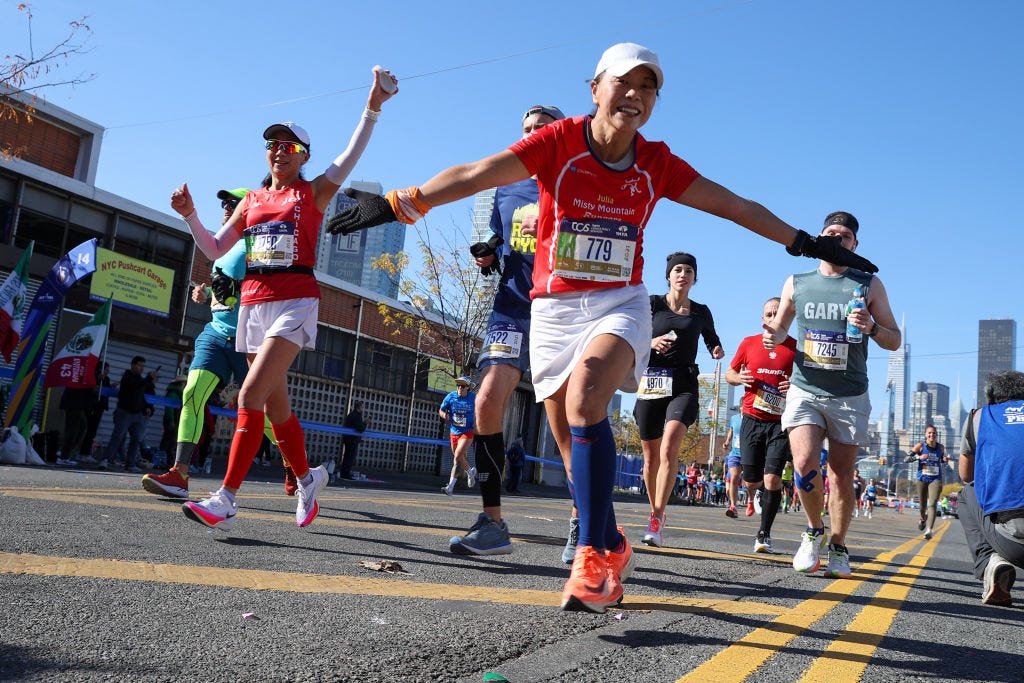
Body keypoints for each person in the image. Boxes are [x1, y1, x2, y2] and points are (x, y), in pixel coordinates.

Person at [327, 43, 874, 613]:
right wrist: (398, 203)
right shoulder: (557, 142)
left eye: (649, 87)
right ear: (595, 89)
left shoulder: (656, 161)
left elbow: (734, 205)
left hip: (619, 302)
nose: (635, 95)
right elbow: (475, 173)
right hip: (553, 309)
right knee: (567, 433)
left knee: (589, 397)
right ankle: (611, 540)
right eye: (624, 83)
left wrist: (803, 242)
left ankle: (592, 556)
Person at [169, 67, 397, 531]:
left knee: (249, 394)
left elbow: (350, 155)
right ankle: (308, 476)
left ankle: (226, 497)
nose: (279, 151)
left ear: (303, 156)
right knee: (277, 407)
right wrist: (191, 216)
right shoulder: (251, 199)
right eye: (273, 144)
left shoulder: (312, 192)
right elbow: (215, 248)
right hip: (253, 303)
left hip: (295, 300)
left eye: (289, 146)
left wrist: (372, 106)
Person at [449, 104, 572, 558]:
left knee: (563, 418)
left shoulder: (574, 180)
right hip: (512, 306)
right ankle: (493, 522)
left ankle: (583, 521)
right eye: (526, 128)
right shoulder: (506, 184)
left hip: (558, 309)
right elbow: (502, 235)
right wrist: (489, 252)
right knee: (485, 402)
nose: (532, 134)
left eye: (541, 128)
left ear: (558, 133)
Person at [763, 211, 897, 578]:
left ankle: (838, 544)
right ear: (820, 238)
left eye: (846, 236)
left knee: (840, 475)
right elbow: (781, 327)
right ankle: (813, 531)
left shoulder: (868, 284)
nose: (838, 239)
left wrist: (871, 327)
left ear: (855, 245)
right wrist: (772, 335)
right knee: (804, 463)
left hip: (849, 394)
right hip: (806, 388)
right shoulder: (797, 281)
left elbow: (895, 338)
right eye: (831, 233)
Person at [143, 188, 282, 500]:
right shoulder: (223, 245)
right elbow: (225, 294)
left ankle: (296, 465)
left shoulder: (260, 247)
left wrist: (238, 290)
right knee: (192, 393)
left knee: (268, 412)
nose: (225, 208)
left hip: (250, 341)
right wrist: (208, 296)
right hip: (216, 334)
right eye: (223, 204)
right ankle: (179, 474)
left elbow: (272, 291)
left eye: (232, 204)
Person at [634, 252, 723, 547]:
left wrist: (717, 350)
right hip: (652, 381)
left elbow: (712, 338)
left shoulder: (701, 311)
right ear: (668, 276)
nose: (682, 274)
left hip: (684, 383)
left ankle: (656, 519)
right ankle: (655, 510)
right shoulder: (653, 304)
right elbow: (631, 334)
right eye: (677, 270)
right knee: (650, 456)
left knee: (670, 445)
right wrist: (650, 342)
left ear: (695, 278)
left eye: (688, 271)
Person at [725, 296, 796, 554]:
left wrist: (794, 386)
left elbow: (806, 384)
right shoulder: (749, 343)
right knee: (752, 481)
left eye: (778, 314)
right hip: (751, 420)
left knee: (773, 479)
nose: (772, 318)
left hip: (779, 423)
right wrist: (738, 377)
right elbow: (729, 373)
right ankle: (756, 493)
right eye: (768, 314)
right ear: (762, 319)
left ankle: (764, 533)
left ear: (786, 319)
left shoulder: (795, 348)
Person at [958, 370, 1024, 606]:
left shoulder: (980, 417)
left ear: (992, 398)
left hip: (1014, 543)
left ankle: (989, 563)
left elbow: (966, 475)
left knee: (966, 494)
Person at [100, 356, 157, 473]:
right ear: (132, 365)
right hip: (124, 412)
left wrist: (147, 407)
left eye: (143, 366)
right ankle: (105, 460)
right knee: (118, 436)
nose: (141, 368)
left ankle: (130, 464)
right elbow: (135, 387)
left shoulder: (141, 379)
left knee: (136, 438)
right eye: (139, 365)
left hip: (137, 414)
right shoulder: (127, 376)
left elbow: (142, 395)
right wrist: (147, 378)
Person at [908, 424, 948, 540]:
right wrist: (918, 458)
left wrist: (943, 460)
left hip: (936, 478)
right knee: (922, 506)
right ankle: (922, 518)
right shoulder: (920, 446)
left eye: (934, 433)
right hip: (922, 478)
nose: (932, 435)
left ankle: (929, 530)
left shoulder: (941, 447)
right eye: (929, 433)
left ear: (936, 435)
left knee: (933, 504)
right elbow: (906, 459)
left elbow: (939, 458)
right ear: (926, 435)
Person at [439, 376, 478, 496]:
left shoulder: (473, 398)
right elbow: (441, 410)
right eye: (458, 385)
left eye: (462, 386)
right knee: (458, 458)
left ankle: (450, 488)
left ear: (468, 387)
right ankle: (470, 472)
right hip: (454, 432)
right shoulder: (451, 396)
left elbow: (482, 410)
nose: (460, 388)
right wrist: (444, 415)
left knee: (457, 456)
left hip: (467, 432)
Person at [78, 362, 114, 463]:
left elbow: (105, 390)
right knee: (88, 431)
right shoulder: (93, 377)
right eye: (106, 370)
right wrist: (98, 380)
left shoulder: (106, 379)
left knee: (92, 432)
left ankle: (86, 453)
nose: (108, 372)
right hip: (92, 407)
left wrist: (111, 387)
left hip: (100, 407)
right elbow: (90, 390)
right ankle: (82, 453)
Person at [158, 374, 188, 459]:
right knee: (170, 441)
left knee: (167, 439)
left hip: (174, 419)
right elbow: (169, 409)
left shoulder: (177, 393)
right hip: (172, 420)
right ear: (181, 383)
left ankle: (163, 459)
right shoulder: (173, 394)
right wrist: (171, 421)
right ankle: (167, 461)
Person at [339, 400, 368, 480]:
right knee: (350, 457)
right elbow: (360, 428)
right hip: (352, 440)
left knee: (347, 456)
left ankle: (343, 473)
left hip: (348, 438)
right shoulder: (357, 416)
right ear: (359, 408)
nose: (363, 409)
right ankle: (346, 473)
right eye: (362, 407)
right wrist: (365, 423)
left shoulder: (351, 415)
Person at [723, 412, 743, 518]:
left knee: (750, 483)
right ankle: (733, 506)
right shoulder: (734, 418)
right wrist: (727, 442)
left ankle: (751, 500)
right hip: (735, 454)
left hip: (749, 454)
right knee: (734, 478)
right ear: (741, 407)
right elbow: (731, 430)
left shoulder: (752, 418)